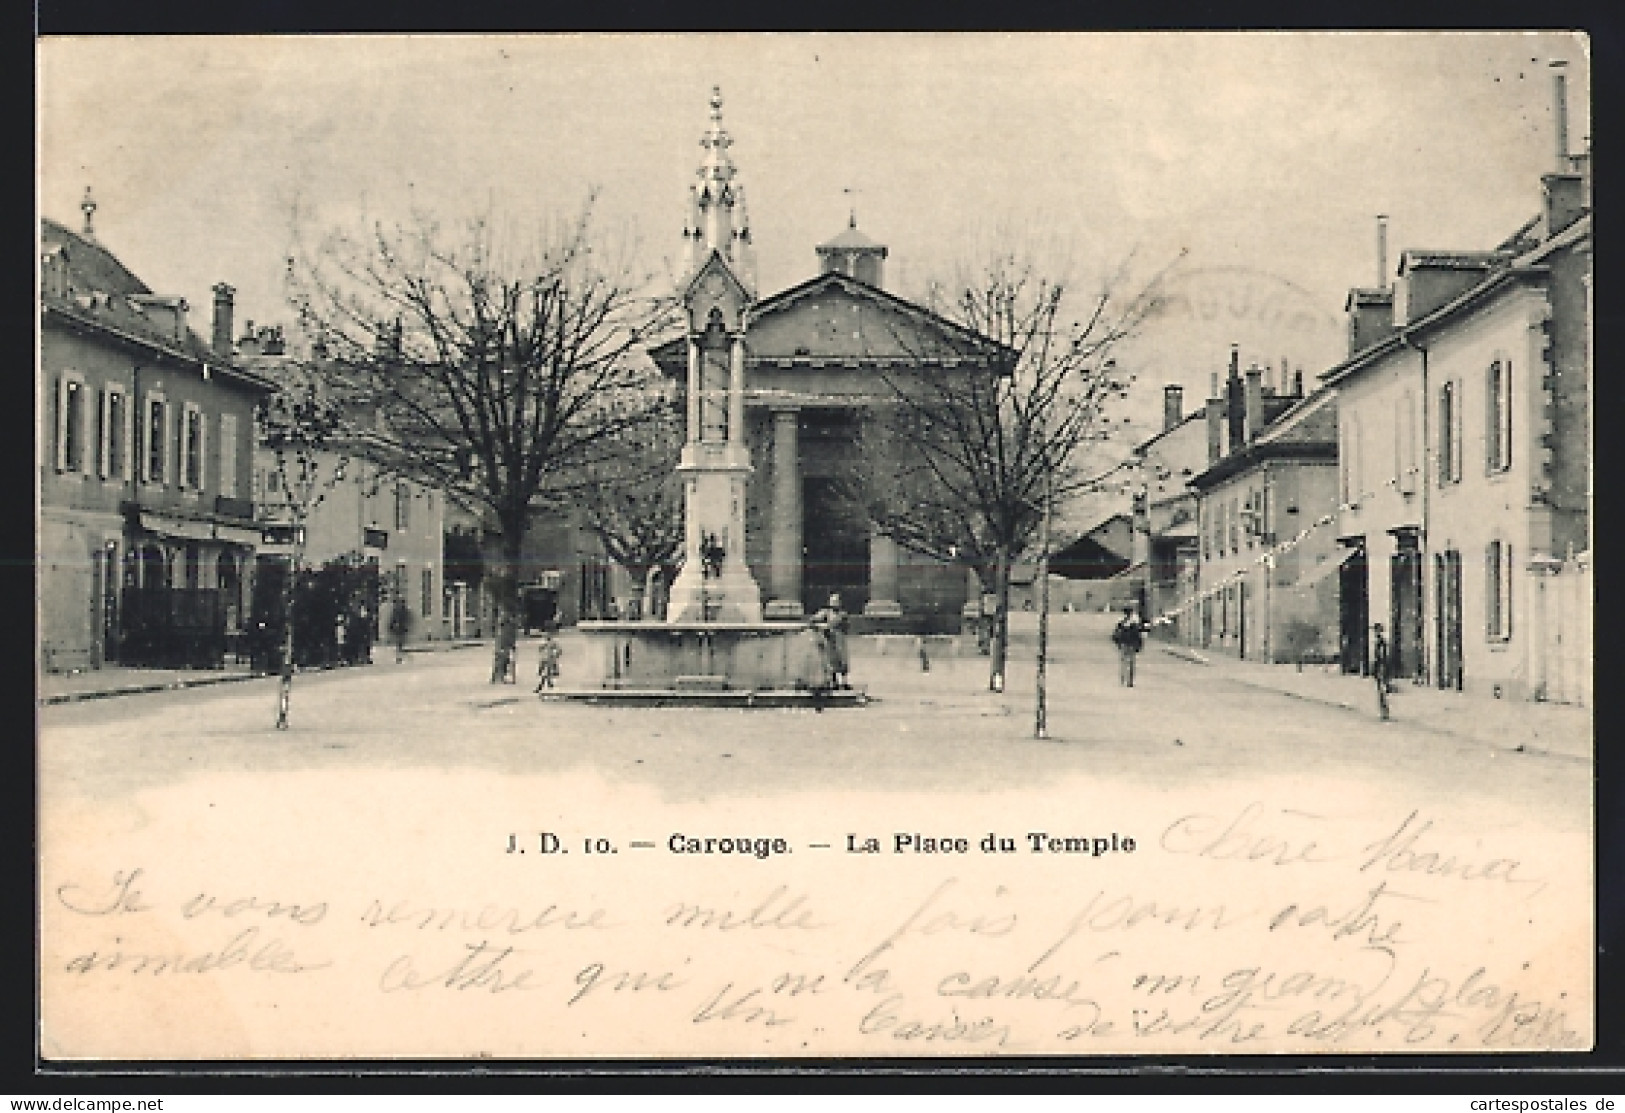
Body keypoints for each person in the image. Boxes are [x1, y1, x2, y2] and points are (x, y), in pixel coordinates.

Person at [812, 592, 851, 690]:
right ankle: (834, 682)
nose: (834, 603)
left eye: (836, 601)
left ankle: (844, 681)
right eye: (833, 601)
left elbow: (846, 625)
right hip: (829, 638)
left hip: (840, 638)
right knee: (831, 659)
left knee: (842, 659)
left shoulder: (843, 614)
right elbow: (813, 620)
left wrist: (841, 626)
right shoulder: (825, 612)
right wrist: (821, 626)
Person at [1111, 605, 1146, 687]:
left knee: (1124, 662)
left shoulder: (1121, 623)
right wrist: (1139, 645)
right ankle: (1130, 681)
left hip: (1123, 644)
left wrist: (1118, 643)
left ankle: (1123, 678)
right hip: (1132, 645)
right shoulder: (1135, 623)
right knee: (1131, 663)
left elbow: (1115, 634)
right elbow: (1138, 635)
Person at [1371, 622, 1392, 721]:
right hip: (1380, 667)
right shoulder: (1379, 641)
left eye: (1376, 630)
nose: (1375, 633)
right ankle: (1384, 711)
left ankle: (1385, 712)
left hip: (1381, 667)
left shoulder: (1381, 642)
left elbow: (1382, 656)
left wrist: (1381, 669)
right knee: (1381, 691)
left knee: (1382, 690)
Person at [388, 598, 410, 663]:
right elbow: (393, 619)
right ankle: (400, 656)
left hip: (401, 629)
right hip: (399, 629)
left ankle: (400, 656)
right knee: (399, 644)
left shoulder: (401, 611)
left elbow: (407, 619)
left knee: (399, 643)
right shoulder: (399, 611)